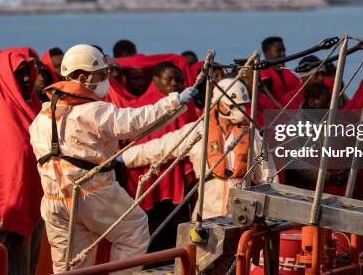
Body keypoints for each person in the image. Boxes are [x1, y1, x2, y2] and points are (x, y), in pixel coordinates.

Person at [29, 44, 197, 273]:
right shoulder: (94, 111)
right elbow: (136, 122)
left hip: (53, 200)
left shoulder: (42, 116)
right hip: (93, 191)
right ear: (81, 77)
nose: (105, 80)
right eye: (100, 75)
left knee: (69, 264)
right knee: (134, 229)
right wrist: (175, 101)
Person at [121, 78, 278, 219]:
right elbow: (160, 148)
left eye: (243, 105)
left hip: (243, 213)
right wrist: (122, 158)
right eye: (234, 105)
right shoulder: (197, 131)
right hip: (207, 212)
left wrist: (269, 213)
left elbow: (268, 174)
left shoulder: (253, 136)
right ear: (218, 104)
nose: (240, 110)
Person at [0, 48, 44, 275]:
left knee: (29, 268)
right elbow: (13, 163)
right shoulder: (3, 112)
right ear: (6, 76)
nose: (27, 79)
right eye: (19, 73)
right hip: (10, 210)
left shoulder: (33, 108)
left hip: (35, 204)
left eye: (29, 72)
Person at [125, 62, 198, 254]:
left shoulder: (185, 104)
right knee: (154, 228)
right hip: (151, 175)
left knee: (176, 227)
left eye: (180, 80)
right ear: (156, 79)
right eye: (170, 79)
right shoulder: (145, 105)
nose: (175, 83)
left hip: (177, 173)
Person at [260, 36, 302, 108]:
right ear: (266, 53)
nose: (283, 54)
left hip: (296, 115)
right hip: (273, 115)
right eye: (278, 51)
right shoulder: (261, 74)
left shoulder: (292, 75)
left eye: (284, 50)